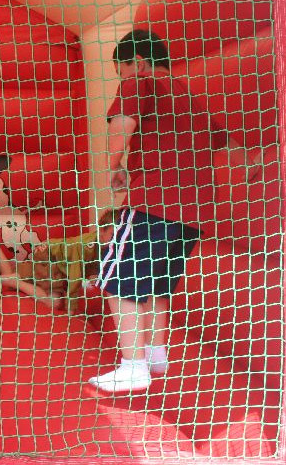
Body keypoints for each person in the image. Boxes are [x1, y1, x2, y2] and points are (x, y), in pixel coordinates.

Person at [88, 29, 222, 393]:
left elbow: (122, 126)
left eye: (122, 71)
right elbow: (225, 141)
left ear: (140, 62)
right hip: (194, 212)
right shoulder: (191, 96)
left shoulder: (141, 82)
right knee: (159, 284)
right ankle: (155, 354)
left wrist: (113, 166)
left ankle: (133, 367)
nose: (123, 79)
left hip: (154, 202)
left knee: (116, 280)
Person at [0, 209, 119, 311]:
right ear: (101, 231)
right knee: (14, 285)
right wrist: (72, 311)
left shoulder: (107, 246)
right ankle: (14, 278)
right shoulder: (86, 246)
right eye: (113, 235)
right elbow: (75, 277)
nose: (117, 240)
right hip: (49, 257)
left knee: (54, 302)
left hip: (59, 269)